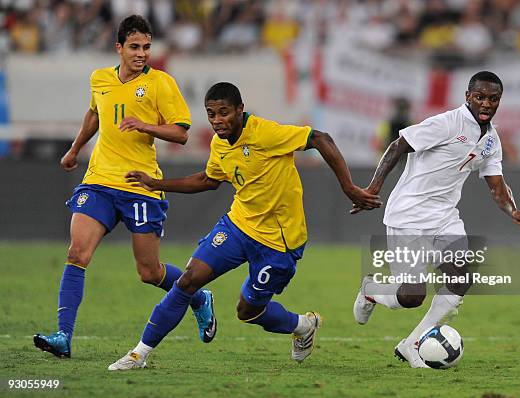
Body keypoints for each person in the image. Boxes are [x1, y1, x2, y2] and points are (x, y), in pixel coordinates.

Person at [106, 82, 382, 370]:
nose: (217, 121)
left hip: (279, 241)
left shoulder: (265, 133)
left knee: (248, 311)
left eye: (223, 112)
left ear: (240, 110)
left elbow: (321, 138)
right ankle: (138, 354)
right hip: (238, 226)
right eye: (211, 114)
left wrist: (349, 187)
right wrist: (156, 183)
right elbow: (208, 180)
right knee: (188, 280)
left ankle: (302, 326)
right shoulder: (219, 144)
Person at [33, 15, 215, 359]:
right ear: (119, 48)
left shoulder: (160, 83)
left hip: (140, 185)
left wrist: (145, 124)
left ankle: (198, 296)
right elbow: (94, 115)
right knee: (77, 253)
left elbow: (180, 132)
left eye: (147, 47)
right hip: (100, 180)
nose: (142, 53)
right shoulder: (100, 79)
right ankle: (63, 336)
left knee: (149, 272)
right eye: (134, 47)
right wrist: (74, 149)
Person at [351, 71, 520, 368]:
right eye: (480, 97)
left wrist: (513, 211)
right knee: (411, 296)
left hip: (445, 217)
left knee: (461, 277)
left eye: (493, 99)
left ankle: (412, 344)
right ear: (467, 96)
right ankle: (371, 290)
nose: (486, 104)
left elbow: (496, 185)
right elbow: (398, 145)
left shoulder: (491, 139)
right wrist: (373, 187)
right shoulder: (446, 123)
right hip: (408, 216)